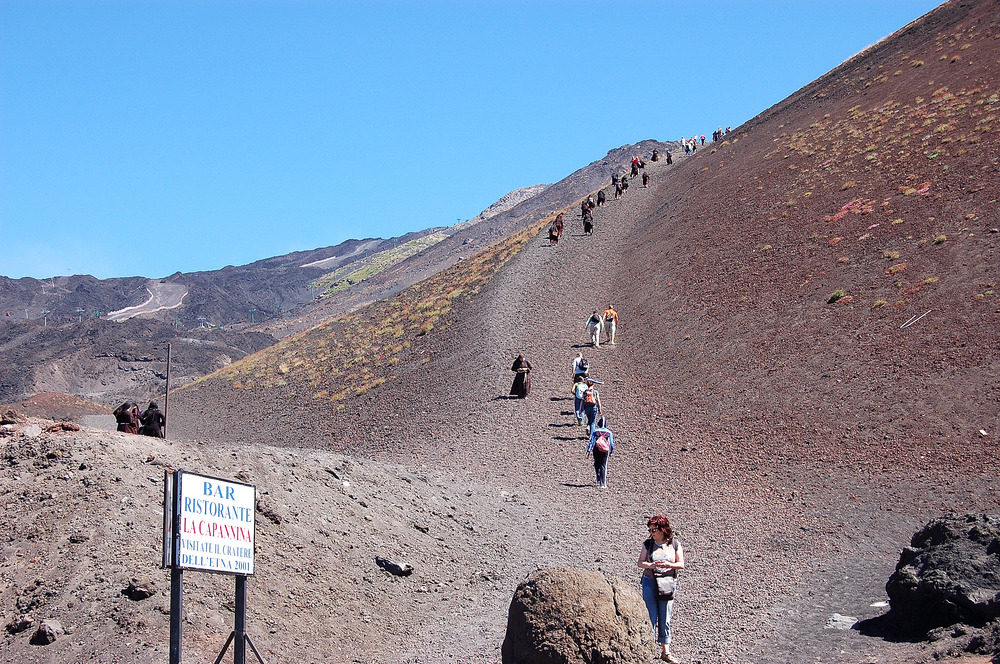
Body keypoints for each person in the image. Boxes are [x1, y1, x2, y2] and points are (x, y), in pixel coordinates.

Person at [637, 515, 685, 663]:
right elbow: (640, 562)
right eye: (650, 529)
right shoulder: (648, 544)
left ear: (663, 529)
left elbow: (681, 564)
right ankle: (648, 652)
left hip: (667, 583)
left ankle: (666, 651)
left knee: (665, 618)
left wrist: (669, 565)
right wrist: (650, 565)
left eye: (654, 529)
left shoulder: (674, 544)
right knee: (650, 616)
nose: (651, 532)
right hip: (650, 581)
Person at [587, 416, 614, 487]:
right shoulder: (609, 432)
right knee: (603, 465)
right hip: (605, 450)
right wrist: (611, 451)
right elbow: (611, 443)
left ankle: (598, 476)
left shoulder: (595, 431)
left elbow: (591, 441)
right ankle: (603, 484)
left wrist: (588, 450)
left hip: (596, 448)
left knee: (596, 463)